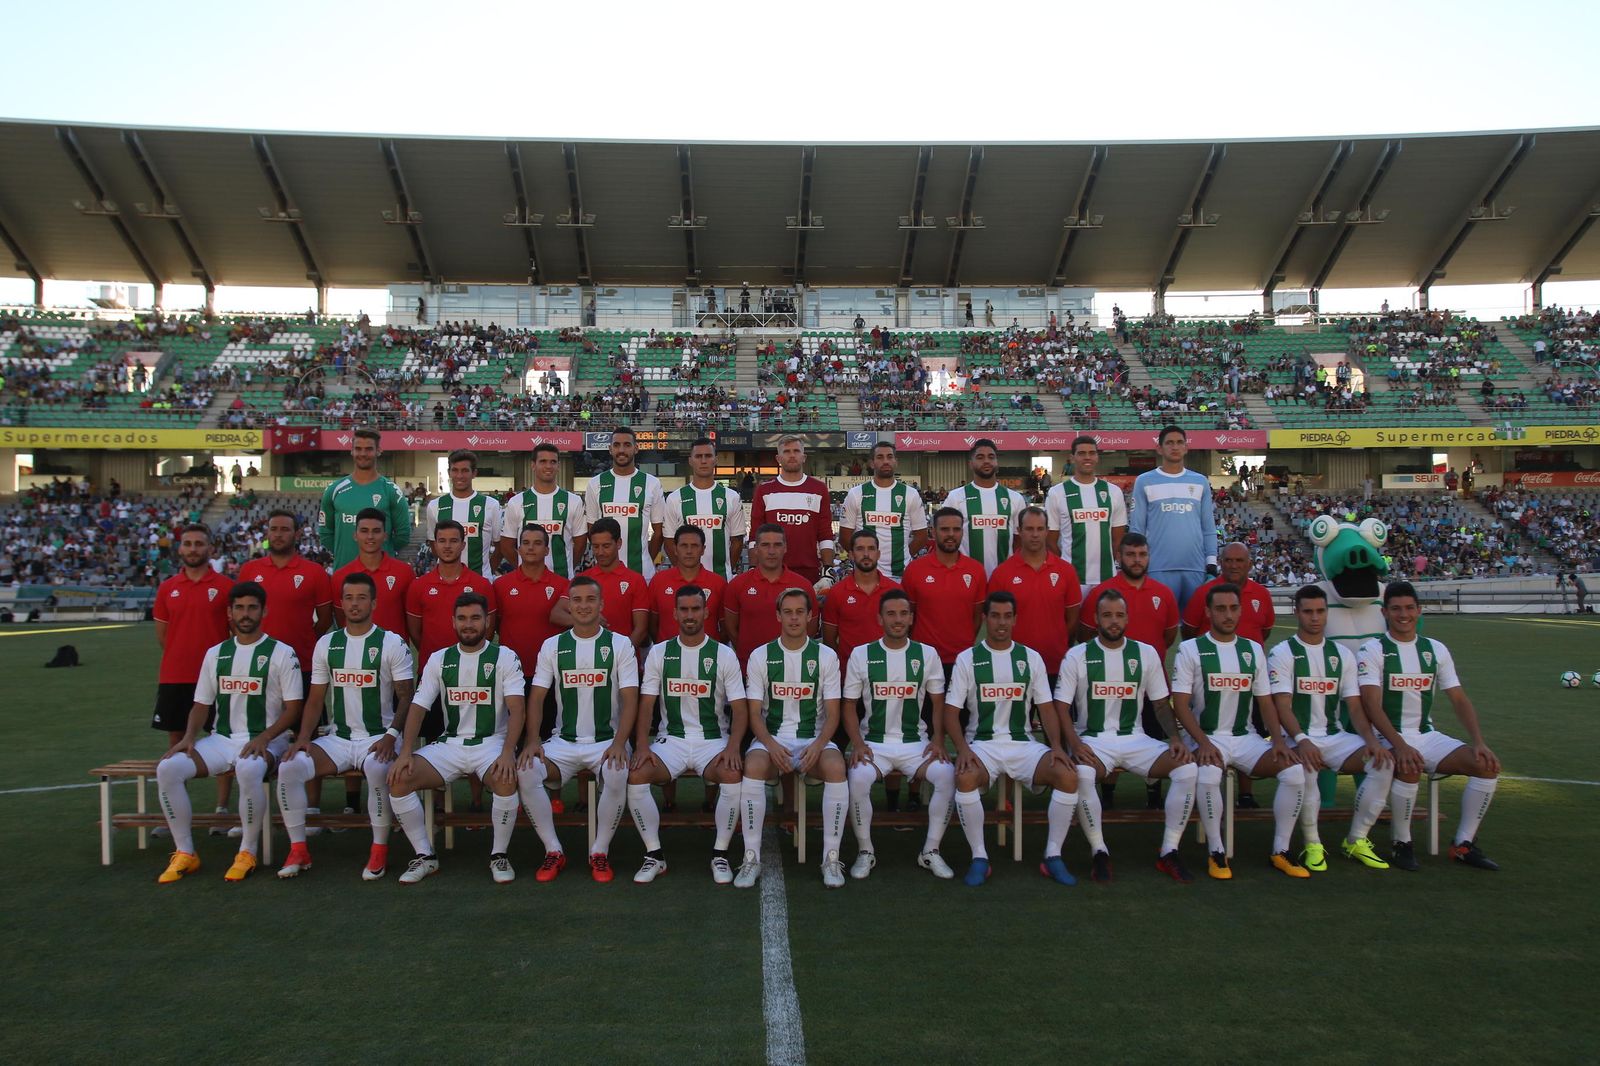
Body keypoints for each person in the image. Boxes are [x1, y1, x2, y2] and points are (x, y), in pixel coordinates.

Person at [154, 582, 304, 883]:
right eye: (239, 608)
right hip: (221, 740)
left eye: (251, 607)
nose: (245, 614)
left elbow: (293, 708)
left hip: (268, 741)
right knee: (168, 768)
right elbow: (200, 704)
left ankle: (246, 851)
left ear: (264, 611)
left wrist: (264, 737)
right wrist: (189, 738)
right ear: (229, 612)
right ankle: (185, 853)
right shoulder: (216, 653)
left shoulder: (282, 653)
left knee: (249, 769)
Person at [274, 572, 415, 880]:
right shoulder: (327, 643)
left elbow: (407, 696)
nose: (354, 604)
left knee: (379, 770)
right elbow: (315, 699)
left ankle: (379, 850)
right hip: (338, 739)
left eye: (361, 598)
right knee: (289, 768)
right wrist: (303, 738)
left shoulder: (391, 643)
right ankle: (299, 849)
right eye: (348, 598)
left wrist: (392, 736)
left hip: (379, 737)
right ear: (341, 603)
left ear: (374, 603)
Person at [1054, 589, 1201, 884]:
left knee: (1187, 767)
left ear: (1127, 618)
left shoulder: (1145, 653)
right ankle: (1099, 850)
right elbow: (1061, 706)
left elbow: (1160, 703)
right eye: (1107, 615)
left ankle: (1169, 850)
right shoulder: (1077, 655)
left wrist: (1174, 738)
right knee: (1082, 774)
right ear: (1095, 618)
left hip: (1136, 739)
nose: (1113, 621)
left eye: (1119, 615)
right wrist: (1075, 743)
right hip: (1093, 740)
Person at [1356, 581, 1501, 871]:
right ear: (1384, 612)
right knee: (1409, 766)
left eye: (1409, 608)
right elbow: (1371, 705)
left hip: (1426, 735)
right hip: (1388, 737)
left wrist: (1479, 741)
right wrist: (1400, 745)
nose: (1403, 614)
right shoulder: (1372, 650)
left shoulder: (1435, 649)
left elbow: (1459, 699)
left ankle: (1463, 844)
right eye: (1396, 608)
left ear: (1419, 610)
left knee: (1486, 765)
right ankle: (1402, 843)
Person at [1168, 583, 1309, 880]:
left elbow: (1265, 701)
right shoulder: (1190, 649)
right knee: (1207, 775)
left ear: (1241, 610)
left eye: (1233, 608)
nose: (1227, 615)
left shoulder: (1252, 649)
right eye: (1220, 609)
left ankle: (1280, 851)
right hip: (1206, 736)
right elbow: (1179, 704)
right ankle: (1217, 852)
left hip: (1245, 739)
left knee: (1294, 772)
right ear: (1208, 612)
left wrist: (1279, 741)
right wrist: (1202, 742)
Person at [385, 592, 526, 884]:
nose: (469, 624)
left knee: (506, 778)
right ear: (453, 622)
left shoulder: (504, 656)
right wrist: (406, 751)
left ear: (487, 621)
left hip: (491, 744)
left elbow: (517, 710)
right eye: (462, 618)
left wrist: (508, 752)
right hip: (450, 745)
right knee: (399, 779)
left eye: (475, 618)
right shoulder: (439, 659)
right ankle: (425, 856)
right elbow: (418, 708)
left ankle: (498, 855)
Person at [944, 591, 1081, 887]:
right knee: (965, 778)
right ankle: (979, 857)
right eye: (995, 616)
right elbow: (950, 713)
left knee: (1068, 776)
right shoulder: (968, 659)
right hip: (982, 745)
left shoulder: (1030, 658)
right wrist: (962, 749)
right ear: (985, 619)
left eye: (1007, 616)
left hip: (1024, 745)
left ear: (1016, 619)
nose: (1001, 623)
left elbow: (1046, 709)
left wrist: (1056, 746)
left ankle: (1053, 856)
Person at [518, 576, 641, 883]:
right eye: (577, 600)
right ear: (568, 606)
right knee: (527, 770)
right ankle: (553, 849)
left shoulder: (620, 644)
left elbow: (630, 700)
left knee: (616, 771)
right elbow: (536, 697)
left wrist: (619, 743)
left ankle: (599, 851)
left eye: (590, 600)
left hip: (607, 741)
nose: (584, 606)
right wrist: (533, 740)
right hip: (564, 742)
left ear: (601, 605)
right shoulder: (552, 645)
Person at [1268, 585, 1395, 873]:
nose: (1315, 618)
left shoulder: (1341, 655)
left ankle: (1356, 839)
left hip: (1335, 737)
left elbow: (1354, 706)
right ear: (1297, 612)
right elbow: (1282, 706)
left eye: (1321, 611)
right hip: (1296, 738)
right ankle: (1313, 844)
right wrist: (1301, 739)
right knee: (1307, 768)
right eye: (1308, 612)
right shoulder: (1283, 653)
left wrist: (1371, 739)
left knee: (1383, 762)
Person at [626, 585, 748, 884]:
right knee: (637, 775)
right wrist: (643, 745)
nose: (690, 615)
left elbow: (741, 709)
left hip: (712, 740)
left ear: (706, 612)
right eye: (684, 609)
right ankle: (654, 855)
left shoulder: (723, 654)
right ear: (675, 613)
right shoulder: (659, 652)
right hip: (672, 741)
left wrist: (733, 747)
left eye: (696, 609)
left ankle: (720, 854)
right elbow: (647, 704)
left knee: (732, 775)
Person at [737, 588, 849, 889]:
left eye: (801, 611)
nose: (795, 618)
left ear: (811, 615)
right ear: (778, 616)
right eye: (788, 612)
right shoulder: (761, 655)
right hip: (771, 739)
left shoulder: (826, 656)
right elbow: (754, 714)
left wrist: (818, 745)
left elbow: (834, 713)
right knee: (754, 766)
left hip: (813, 738)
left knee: (837, 768)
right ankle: (751, 857)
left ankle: (831, 857)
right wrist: (771, 746)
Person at [840, 590, 956, 879]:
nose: (898, 619)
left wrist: (938, 740)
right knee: (857, 779)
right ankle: (866, 851)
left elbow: (938, 703)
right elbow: (849, 706)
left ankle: (930, 851)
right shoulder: (861, 654)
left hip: (915, 744)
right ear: (880, 618)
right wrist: (857, 743)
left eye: (903, 614)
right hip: (873, 745)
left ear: (911, 618)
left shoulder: (926, 654)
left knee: (946, 775)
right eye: (891, 614)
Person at [238, 509, 338, 817]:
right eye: (274, 528)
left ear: (297, 534)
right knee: (255, 732)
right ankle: (257, 807)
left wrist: (300, 643)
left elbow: (324, 620)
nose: (278, 534)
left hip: (305, 665)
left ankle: (312, 807)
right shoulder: (250, 570)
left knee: (308, 734)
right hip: (260, 669)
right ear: (267, 533)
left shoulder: (314, 572)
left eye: (285, 529)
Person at [151, 524, 235, 828]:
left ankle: (221, 809)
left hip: (217, 677)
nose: (193, 549)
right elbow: (163, 635)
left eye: (199, 544)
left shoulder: (225, 586)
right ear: (180, 549)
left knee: (221, 738)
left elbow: (234, 631)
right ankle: (174, 810)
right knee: (176, 740)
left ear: (210, 548)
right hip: (176, 675)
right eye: (187, 544)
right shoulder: (167, 588)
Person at [1183, 540, 1278, 808]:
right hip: (1211, 676)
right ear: (1221, 563)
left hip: (1248, 677)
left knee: (1248, 731)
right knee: (1211, 729)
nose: (1234, 565)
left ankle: (1245, 794)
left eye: (1239, 561)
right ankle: (1207, 796)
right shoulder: (1204, 593)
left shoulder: (1261, 594)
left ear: (1249, 564)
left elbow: (1265, 632)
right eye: (1228, 560)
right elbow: (1189, 631)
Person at [494, 524, 574, 762]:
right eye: (526, 543)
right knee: (512, 739)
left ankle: (553, 798)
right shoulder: (501, 585)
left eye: (537, 543)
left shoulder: (562, 584)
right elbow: (495, 626)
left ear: (547, 550)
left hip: (548, 675)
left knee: (547, 739)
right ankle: (513, 796)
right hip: (512, 675)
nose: (531, 548)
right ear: (518, 549)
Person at [988, 507, 1080, 688]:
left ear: (1047, 531)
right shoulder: (1002, 573)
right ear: (1019, 531)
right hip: (1014, 665)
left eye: (1040, 529)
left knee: (1056, 716)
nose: (1035, 534)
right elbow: (994, 622)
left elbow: (1072, 619)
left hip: (1056, 663)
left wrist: (1057, 642)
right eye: (1029, 529)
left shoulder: (1066, 571)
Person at [1128, 425, 1217, 609]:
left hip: (1195, 569)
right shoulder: (1144, 481)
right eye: (1169, 443)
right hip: (1157, 569)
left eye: (1179, 442)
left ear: (1186, 447)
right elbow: (1137, 529)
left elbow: (1208, 528)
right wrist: (1138, 563)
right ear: (1159, 448)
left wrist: (1211, 564)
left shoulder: (1200, 481)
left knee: (1193, 631)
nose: (1174, 447)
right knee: (1158, 629)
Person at [902, 507, 986, 679]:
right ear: (933, 531)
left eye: (956, 529)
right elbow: (909, 616)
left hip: (963, 660)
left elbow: (977, 617)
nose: (951, 534)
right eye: (944, 529)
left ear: (962, 531)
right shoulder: (914, 570)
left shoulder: (976, 570)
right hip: (924, 659)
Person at [723, 524, 817, 668]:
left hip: (792, 669)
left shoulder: (803, 586)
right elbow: (730, 628)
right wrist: (749, 655)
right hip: (748, 669)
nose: (771, 551)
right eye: (765, 545)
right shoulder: (738, 585)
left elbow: (810, 628)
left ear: (785, 548)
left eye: (777, 545)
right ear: (756, 549)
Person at [317, 428, 411, 570]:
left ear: (378, 451)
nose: (363, 454)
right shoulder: (334, 490)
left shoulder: (392, 491)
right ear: (352, 451)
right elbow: (325, 534)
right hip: (345, 573)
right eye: (358, 449)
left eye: (368, 449)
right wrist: (347, 553)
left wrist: (379, 553)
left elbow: (403, 536)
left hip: (381, 575)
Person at [1044, 435, 1127, 592]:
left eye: (1092, 453)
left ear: (1097, 457)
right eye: (1081, 453)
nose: (1087, 457)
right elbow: (1050, 542)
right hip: (1073, 578)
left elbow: (1118, 539)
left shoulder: (1113, 492)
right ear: (1072, 457)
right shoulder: (1057, 493)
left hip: (1107, 576)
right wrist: (1067, 565)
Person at [751, 434, 835, 588]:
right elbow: (755, 534)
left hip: (809, 571)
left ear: (804, 457)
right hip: (771, 571)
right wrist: (752, 567)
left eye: (796, 451)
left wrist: (828, 568)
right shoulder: (764, 490)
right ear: (778, 458)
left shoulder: (819, 489)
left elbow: (825, 533)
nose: (792, 455)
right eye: (786, 451)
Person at [583, 426, 667, 579]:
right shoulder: (595, 484)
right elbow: (591, 530)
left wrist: (646, 557)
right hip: (604, 574)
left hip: (642, 573)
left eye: (627, 445)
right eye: (616, 445)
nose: (621, 450)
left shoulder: (652, 483)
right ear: (610, 449)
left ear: (636, 448)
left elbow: (659, 532)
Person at [838, 441, 928, 581]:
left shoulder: (910, 494)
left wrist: (903, 554)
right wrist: (863, 558)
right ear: (872, 463)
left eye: (890, 457)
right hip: (866, 575)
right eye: (880, 457)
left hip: (900, 574)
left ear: (896, 461)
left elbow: (921, 536)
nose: (885, 461)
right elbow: (844, 536)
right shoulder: (856, 494)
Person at [661, 437, 746, 581]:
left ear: (716, 460)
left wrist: (726, 569)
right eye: (698, 456)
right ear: (690, 460)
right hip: (686, 581)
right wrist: (684, 571)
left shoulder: (731, 497)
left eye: (708, 456)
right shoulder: (675, 498)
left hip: (721, 579)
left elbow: (737, 541)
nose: (704, 461)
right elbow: (669, 542)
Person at [940, 438, 1027, 578]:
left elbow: (1019, 541)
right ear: (971, 464)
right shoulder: (955, 497)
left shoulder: (1015, 498)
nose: (986, 461)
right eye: (980, 457)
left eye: (991, 457)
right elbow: (945, 537)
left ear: (997, 462)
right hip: (965, 578)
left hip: (1004, 578)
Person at [500, 441, 587, 578]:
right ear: (533, 465)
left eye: (553, 462)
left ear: (558, 466)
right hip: (527, 582)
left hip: (562, 580)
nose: (548, 466)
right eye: (543, 461)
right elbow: (506, 545)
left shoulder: (573, 501)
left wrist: (567, 566)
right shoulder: (516, 502)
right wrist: (524, 566)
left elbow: (580, 544)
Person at [822, 530, 899, 667]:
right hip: (850, 676)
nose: (866, 554)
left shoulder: (895, 591)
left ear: (878, 553)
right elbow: (829, 641)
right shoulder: (837, 593)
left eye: (871, 549)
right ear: (851, 555)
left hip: (889, 674)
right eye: (860, 549)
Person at [331, 508, 413, 635]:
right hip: (355, 652)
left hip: (393, 653)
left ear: (385, 536)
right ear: (355, 535)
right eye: (364, 531)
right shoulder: (340, 577)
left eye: (376, 531)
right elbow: (341, 618)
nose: (370, 536)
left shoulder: (404, 572)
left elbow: (411, 620)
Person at [424, 449, 503, 580]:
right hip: (446, 582)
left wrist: (487, 572)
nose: (459, 475)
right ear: (449, 472)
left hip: (480, 580)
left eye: (465, 470)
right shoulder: (435, 506)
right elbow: (434, 544)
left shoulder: (491, 505)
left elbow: (500, 547)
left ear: (474, 473)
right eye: (455, 470)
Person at [581, 517, 650, 657]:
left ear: (619, 543)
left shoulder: (635, 580)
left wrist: (619, 658)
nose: (600, 552)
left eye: (606, 546)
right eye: (595, 546)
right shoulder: (582, 580)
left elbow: (641, 629)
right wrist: (586, 618)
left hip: (624, 663)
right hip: (587, 663)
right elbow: (557, 614)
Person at [648, 525, 726, 643]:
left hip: (708, 658)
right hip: (668, 657)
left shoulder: (719, 583)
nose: (689, 551)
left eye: (694, 546)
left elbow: (726, 628)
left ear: (703, 549)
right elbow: (652, 625)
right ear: (675, 548)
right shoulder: (658, 581)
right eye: (684, 546)